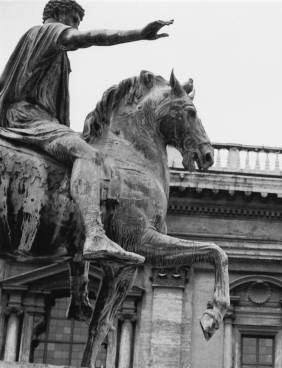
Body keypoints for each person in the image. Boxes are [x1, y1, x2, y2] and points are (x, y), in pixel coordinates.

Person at [0, 0, 173, 264]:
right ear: (58, 14)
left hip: (36, 118)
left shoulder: (43, 47)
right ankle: (94, 233)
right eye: (74, 19)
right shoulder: (46, 33)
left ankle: (80, 292)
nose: (77, 26)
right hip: (28, 117)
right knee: (89, 154)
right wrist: (139, 33)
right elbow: (93, 38)